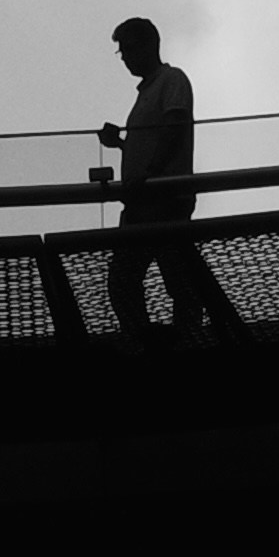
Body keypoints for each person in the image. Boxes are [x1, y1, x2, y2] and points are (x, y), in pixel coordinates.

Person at [99, 17, 207, 338]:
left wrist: (150, 174)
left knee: (175, 277)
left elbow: (174, 128)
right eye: (122, 53)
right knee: (127, 280)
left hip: (163, 200)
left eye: (128, 49)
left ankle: (181, 339)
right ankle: (152, 338)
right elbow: (157, 139)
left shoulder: (172, 80)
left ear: (149, 45)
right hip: (142, 201)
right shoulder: (147, 92)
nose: (126, 58)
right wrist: (120, 144)